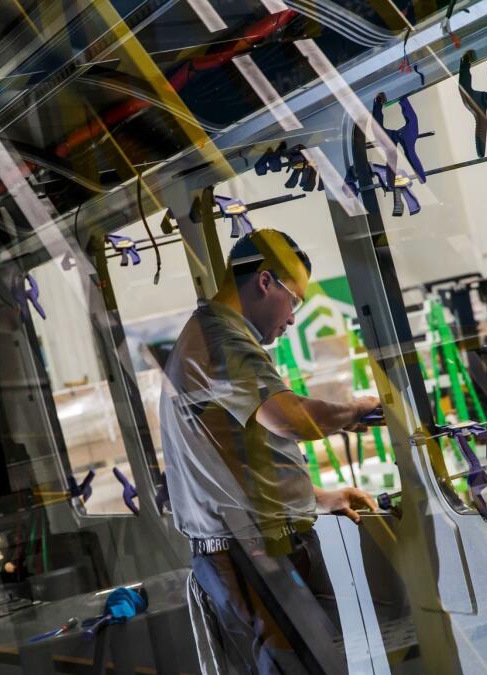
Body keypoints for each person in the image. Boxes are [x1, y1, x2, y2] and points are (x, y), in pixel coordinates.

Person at [159, 229, 380, 674]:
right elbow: (290, 419)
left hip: (254, 547)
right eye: (294, 300)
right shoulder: (219, 338)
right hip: (252, 554)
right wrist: (361, 410)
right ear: (265, 281)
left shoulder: (216, 334)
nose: (293, 319)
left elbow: (232, 455)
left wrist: (318, 497)